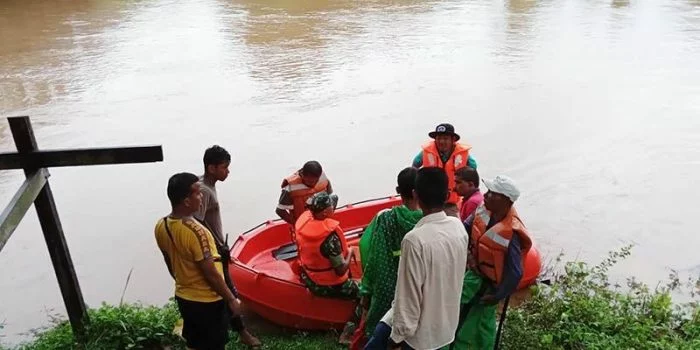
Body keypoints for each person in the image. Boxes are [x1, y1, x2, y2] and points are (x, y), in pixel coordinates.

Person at [365, 167, 469, 350]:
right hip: (446, 328)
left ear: (415, 194)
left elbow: (408, 298)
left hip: (419, 336)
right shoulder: (458, 227)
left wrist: (396, 338)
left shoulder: (415, 240)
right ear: (447, 195)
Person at [154, 172, 241, 350]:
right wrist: (231, 299)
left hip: (184, 296)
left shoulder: (161, 225)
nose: (201, 197)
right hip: (207, 302)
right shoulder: (197, 232)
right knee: (214, 344)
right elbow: (210, 273)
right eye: (198, 193)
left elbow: (169, 262)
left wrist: (184, 282)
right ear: (186, 201)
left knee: (194, 342)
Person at [450, 175, 533, 349]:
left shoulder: (512, 232)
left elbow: (515, 272)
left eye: (492, 193)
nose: (485, 196)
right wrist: (469, 256)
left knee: (472, 325)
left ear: (505, 200)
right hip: (473, 275)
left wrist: (497, 295)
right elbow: (464, 229)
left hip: (488, 286)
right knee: (472, 321)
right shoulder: (482, 211)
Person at [193, 145, 260, 348]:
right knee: (228, 290)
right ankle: (243, 333)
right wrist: (219, 245)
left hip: (216, 246)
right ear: (211, 168)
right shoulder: (203, 191)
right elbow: (198, 221)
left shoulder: (203, 184)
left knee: (225, 290)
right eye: (224, 167)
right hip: (213, 250)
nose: (227, 171)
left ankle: (238, 330)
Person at [352, 168, 423, 349]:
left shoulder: (385, 218)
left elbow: (371, 254)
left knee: (381, 332)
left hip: (386, 287)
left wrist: (366, 291)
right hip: (416, 291)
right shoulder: (427, 220)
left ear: (398, 191)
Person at [294, 192, 358, 299]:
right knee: (362, 291)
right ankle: (359, 313)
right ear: (324, 213)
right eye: (331, 206)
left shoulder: (304, 225)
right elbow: (340, 271)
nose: (333, 207)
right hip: (327, 284)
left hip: (309, 276)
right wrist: (351, 252)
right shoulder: (330, 238)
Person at [412, 123, 477, 217]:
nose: (441, 141)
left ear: (453, 140)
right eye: (438, 138)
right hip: (429, 201)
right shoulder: (426, 151)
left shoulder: (463, 154)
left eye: (445, 138)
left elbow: (473, 171)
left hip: (450, 203)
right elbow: (414, 167)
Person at [276, 161, 333, 225]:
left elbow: (329, 196)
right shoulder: (290, 187)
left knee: (334, 198)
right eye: (310, 181)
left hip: (322, 222)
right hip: (303, 225)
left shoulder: (323, 178)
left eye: (316, 181)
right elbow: (280, 210)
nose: (313, 184)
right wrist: (296, 224)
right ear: (302, 175)